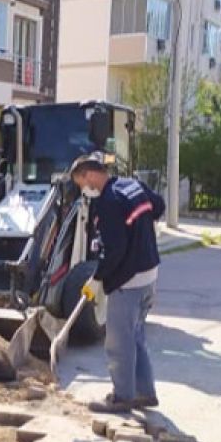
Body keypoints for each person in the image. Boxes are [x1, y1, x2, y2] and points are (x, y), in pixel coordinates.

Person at [70, 155, 166, 414]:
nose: (84, 190)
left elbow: (114, 250)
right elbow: (158, 206)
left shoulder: (109, 202)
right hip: (150, 273)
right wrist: (140, 231)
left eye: (81, 184)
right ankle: (145, 393)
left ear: (89, 175)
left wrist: (98, 277)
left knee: (119, 343)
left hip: (129, 281)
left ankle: (122, 397)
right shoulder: (132, 186)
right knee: (136, 338)